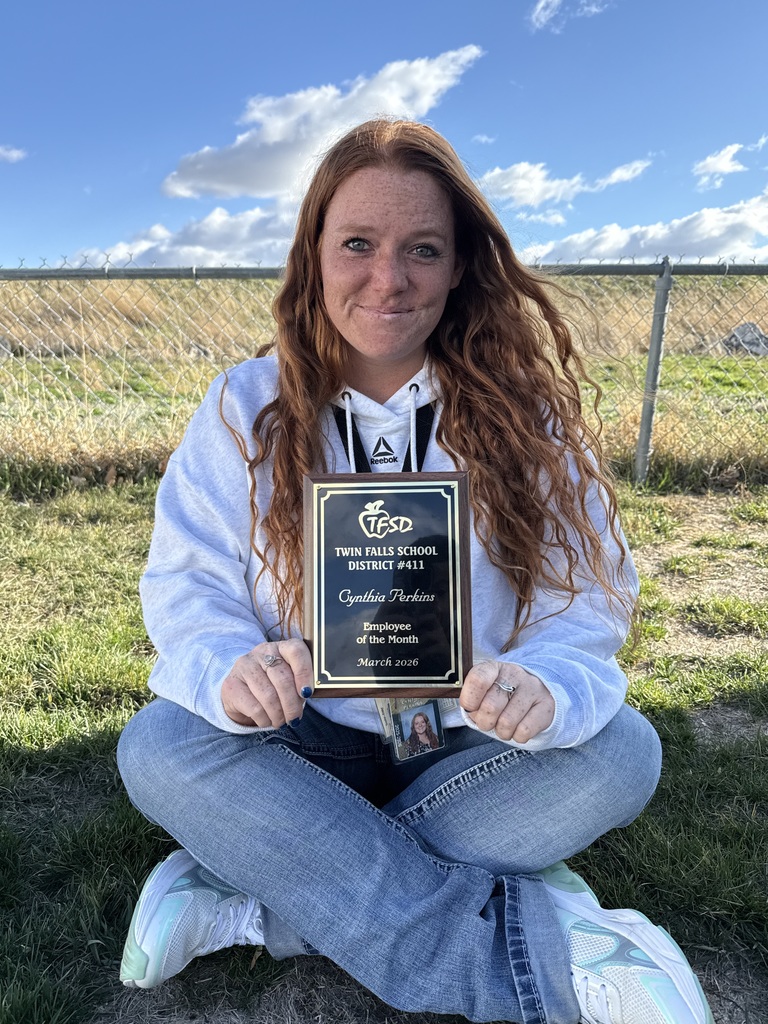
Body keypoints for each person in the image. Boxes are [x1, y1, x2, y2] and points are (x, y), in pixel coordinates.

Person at [116, 119, 713, 1024]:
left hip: (468, 749)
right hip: (300, 747)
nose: (388, 280)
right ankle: (537, 967)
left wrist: (545, 685)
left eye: (421, 250)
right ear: (314, 252)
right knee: (163, 745)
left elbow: (589, 596)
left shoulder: (526, 420)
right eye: (358, 243)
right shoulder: (245, 406)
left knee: (622, 753)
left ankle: (262, 895)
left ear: (460, 265)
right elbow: (185, 584)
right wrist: (233, 669)